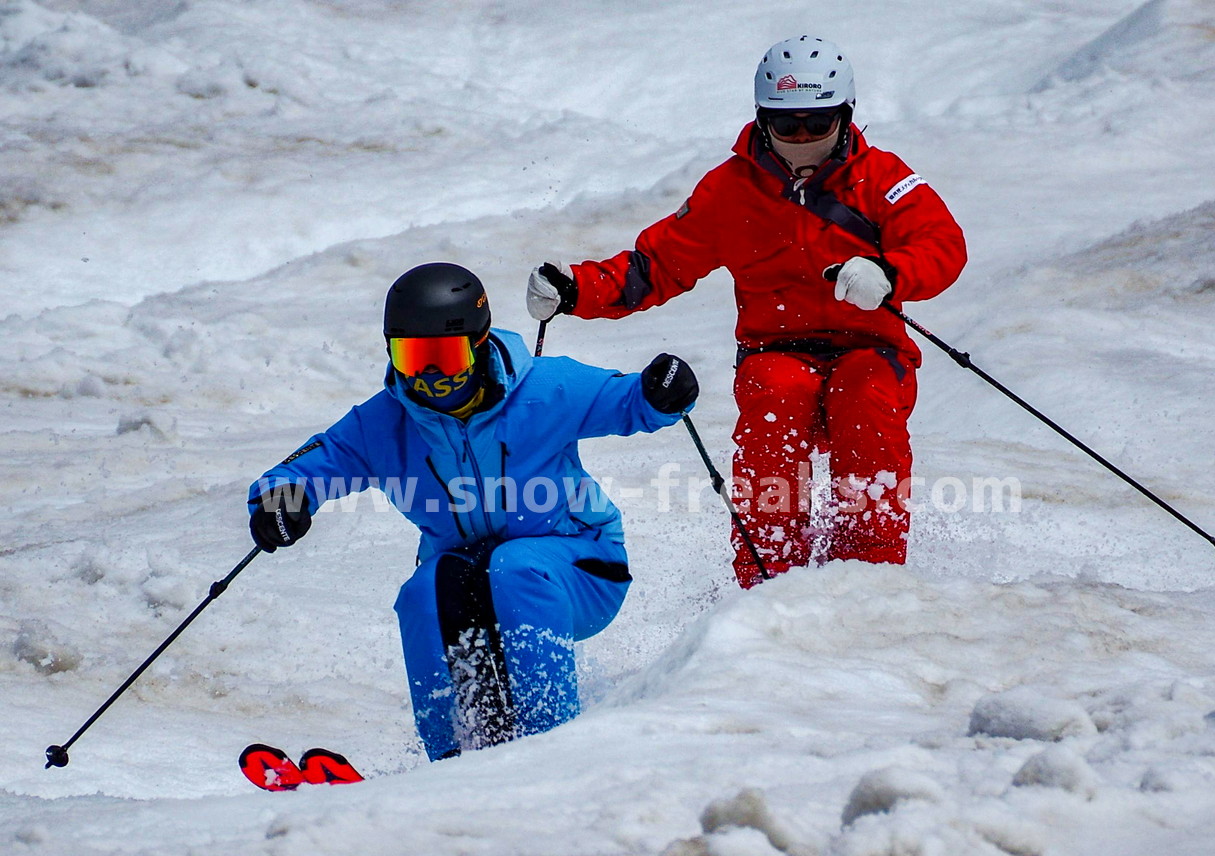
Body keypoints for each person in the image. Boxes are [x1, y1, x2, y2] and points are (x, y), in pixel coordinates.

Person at [526, 35, 967, 588]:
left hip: (871, 348)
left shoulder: (883, 178)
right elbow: (655, 265)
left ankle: (869, 578)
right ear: (762, 120)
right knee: (777, 399)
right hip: (776, 350)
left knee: (866, 394)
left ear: (845, 115)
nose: (802, 136)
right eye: (787, 125)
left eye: (817, 122)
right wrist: (576, 290)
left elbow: (942, 243)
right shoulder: (730, 191)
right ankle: (769, 577)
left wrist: (890, 274)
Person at [247, 262, 698, 761]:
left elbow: (631, 401)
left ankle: (553, 751)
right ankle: (454, 761)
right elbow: (311, 465)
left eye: (443, 355)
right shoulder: (386, 422)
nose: (429, 375)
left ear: (478, 343)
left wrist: (662, 391)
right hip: (470, 583)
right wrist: (281, 501)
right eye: (412, 357)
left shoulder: (547, 389)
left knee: (516, 567)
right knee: (424, 590)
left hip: (581, 569)